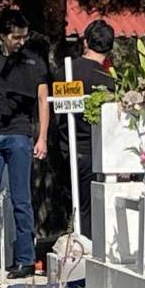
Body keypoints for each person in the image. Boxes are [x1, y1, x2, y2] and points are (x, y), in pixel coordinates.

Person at [0, 9, 50, 279]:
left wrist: (42, 137)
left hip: (20, 135)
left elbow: (43, 100)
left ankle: (25, 260)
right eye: (16, 37)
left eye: (24, 37)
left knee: (21, 200)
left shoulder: (34, 62)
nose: (20, 42)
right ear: (3, 36)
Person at [58, 20, 117, 240]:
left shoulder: (64, 72)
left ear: (86, 42)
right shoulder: (107, 80)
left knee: (71, 206)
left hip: (65, 146)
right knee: (90, 208)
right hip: (94, 150)